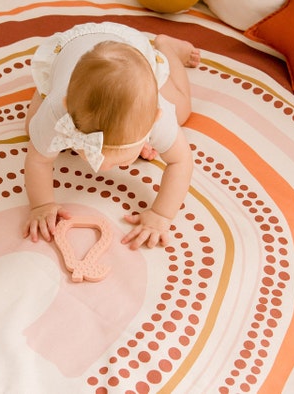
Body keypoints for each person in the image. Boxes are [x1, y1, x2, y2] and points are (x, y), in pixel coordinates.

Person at [22, 22, 199, 250]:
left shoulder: (160, 115)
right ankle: (47, 86)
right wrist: (42, 205)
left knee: (182, 111)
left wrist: (161, 215)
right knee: (33, 129)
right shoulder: (58, 111)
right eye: (92, 153)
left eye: (122, 161)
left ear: (154, 119)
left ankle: (169, 49)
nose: (102, 168)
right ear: (67, 106)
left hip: (134, 46)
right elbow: (37, 159)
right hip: (68, 49)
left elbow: (181, 161)